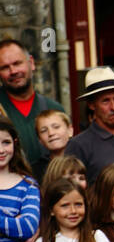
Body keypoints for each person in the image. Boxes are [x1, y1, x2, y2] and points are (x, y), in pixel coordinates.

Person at [0, 37, 65, 168]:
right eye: (5, 67)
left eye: (17, 63)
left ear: (31, 63)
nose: (13, 71)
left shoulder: (54, 109)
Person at [0, 117, 39, 242]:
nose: (1, 150)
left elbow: (28, 226)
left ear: (15, 143)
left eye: (6, 142)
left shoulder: (28, 185)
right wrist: (11, 221)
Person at [32, 108, 73, 184]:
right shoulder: (36, 170)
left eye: (56, 127)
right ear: (40, 139)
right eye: (44, 131)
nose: (51, 133)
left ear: (70, 130)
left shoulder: (84, 158)